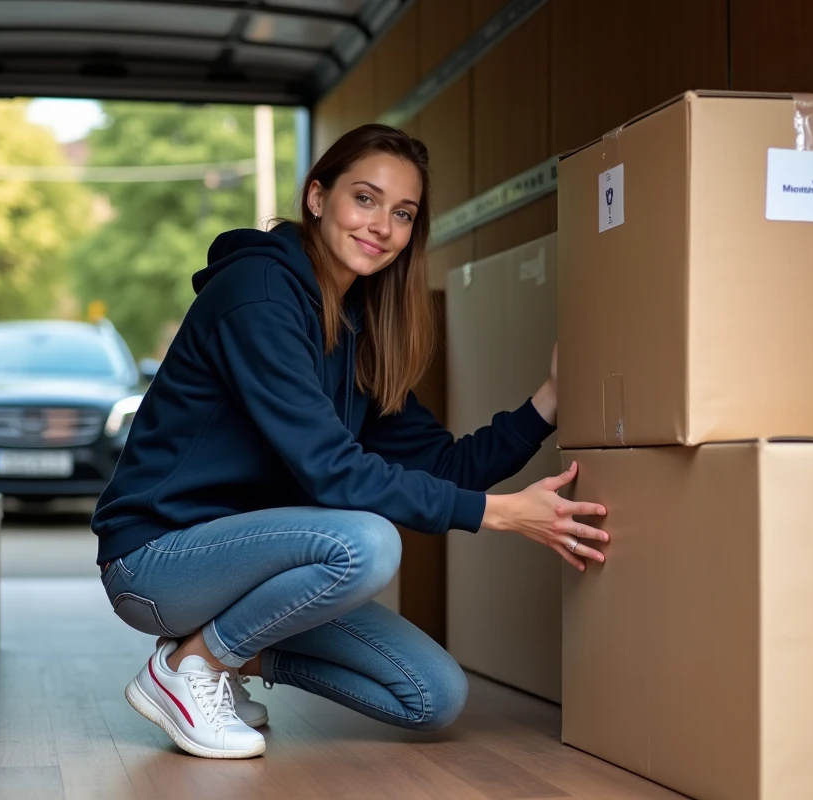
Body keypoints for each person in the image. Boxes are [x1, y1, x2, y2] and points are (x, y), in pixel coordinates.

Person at [91, 123, 609, 760]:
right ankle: (190, 668)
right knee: (365, 541)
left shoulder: (360, 328)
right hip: (156, 562)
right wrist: (499, 515)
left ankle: (219, 660)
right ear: (317, 197)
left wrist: (548, 402)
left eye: (402, 213)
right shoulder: (256, 296)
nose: (382, 226)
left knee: (432, 695)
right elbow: (333, 473)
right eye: (364, 198)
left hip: (252, 573)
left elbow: (446, 466)